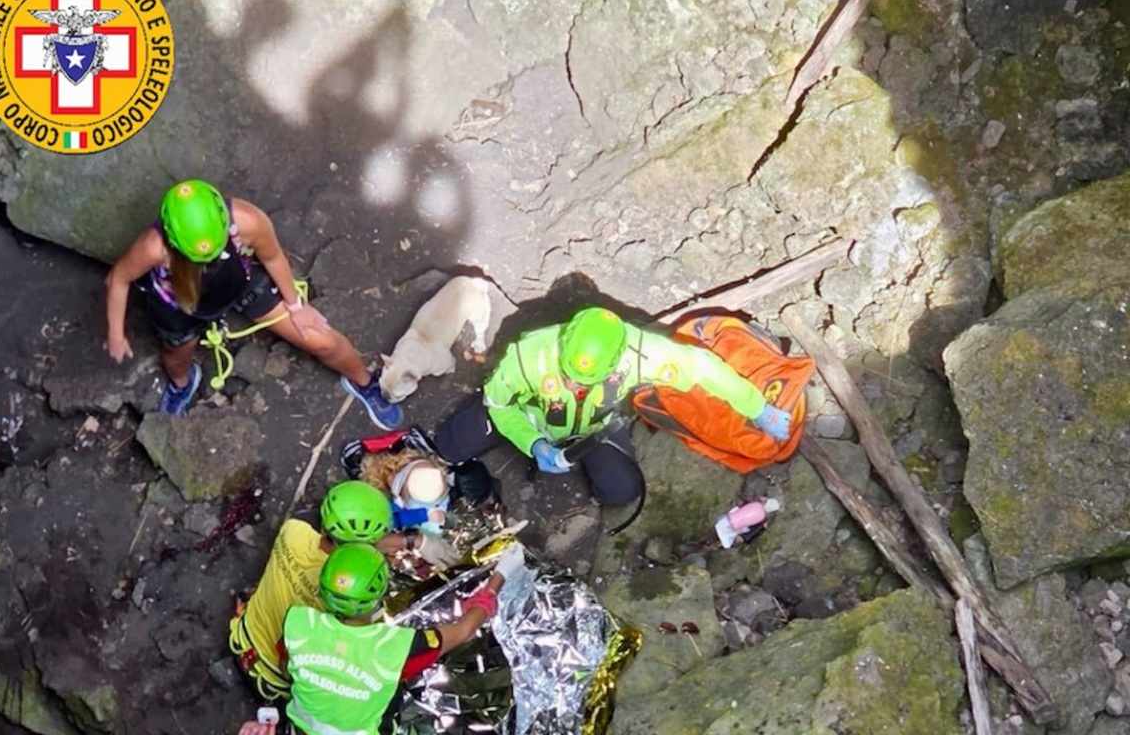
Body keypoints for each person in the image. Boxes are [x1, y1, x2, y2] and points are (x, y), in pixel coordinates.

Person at [103, 178, 401, 428]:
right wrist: (116, 334)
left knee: (322, 341)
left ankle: (364, 383)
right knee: (175, 356)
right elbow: (119, 279)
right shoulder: (153, 248)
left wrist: (297, 306)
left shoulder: (247, 221)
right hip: (179, 303)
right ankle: (182, 384)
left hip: (239, 283)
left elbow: (271, 256)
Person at [432, 307, 793, 505]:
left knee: (621, 491)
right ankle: (459, 445)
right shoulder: (529, 355)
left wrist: (756, 407)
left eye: (585, 381)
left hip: (593, 429)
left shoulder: (640, 352)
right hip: (530, 416)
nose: (574, 384)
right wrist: (533, 442)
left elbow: (704, 368)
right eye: (568, 374)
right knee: (449, 446)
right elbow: (498, 403)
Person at [236, 542, 525, 735]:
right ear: (380, 594)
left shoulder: (298, 623)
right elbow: (463, 630)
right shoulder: (397, 648)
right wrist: (500, 575)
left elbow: (290, 668)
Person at [229, 480, 459, 700]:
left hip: (242, 637)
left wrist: (412, 541)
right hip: (274, 683)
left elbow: (348, 544)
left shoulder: (293, 531)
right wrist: (415, 542)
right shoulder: (343, 598)